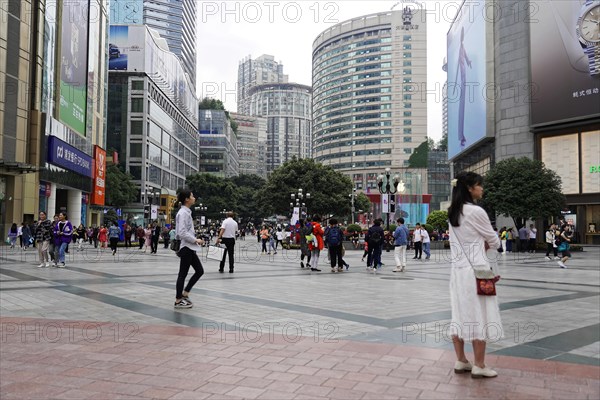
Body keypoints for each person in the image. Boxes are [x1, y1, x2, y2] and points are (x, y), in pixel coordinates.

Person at [448, 172, 501, 378]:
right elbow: (494, 241)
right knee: (480, 314)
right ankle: (479, 364)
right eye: (479, 185)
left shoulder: (453, 211)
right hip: (477, 271)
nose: (482, 189)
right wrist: (486, 243)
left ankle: (461, 360)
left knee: (459, 313)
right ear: (470, 188)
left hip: (458, 271)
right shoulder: (476, 211)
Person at [173, 189, 205, 309]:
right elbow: (181, 232)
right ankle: (178, 300)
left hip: (189, 247)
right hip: (186, 247)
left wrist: (195, 240)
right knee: (182, 274)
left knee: (199, 271)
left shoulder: (186, 212)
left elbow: (184, 231)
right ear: (187, 199)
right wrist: (195, 240)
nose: (193, 197)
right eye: (192, 196)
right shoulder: (183, 213)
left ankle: (185, 294)